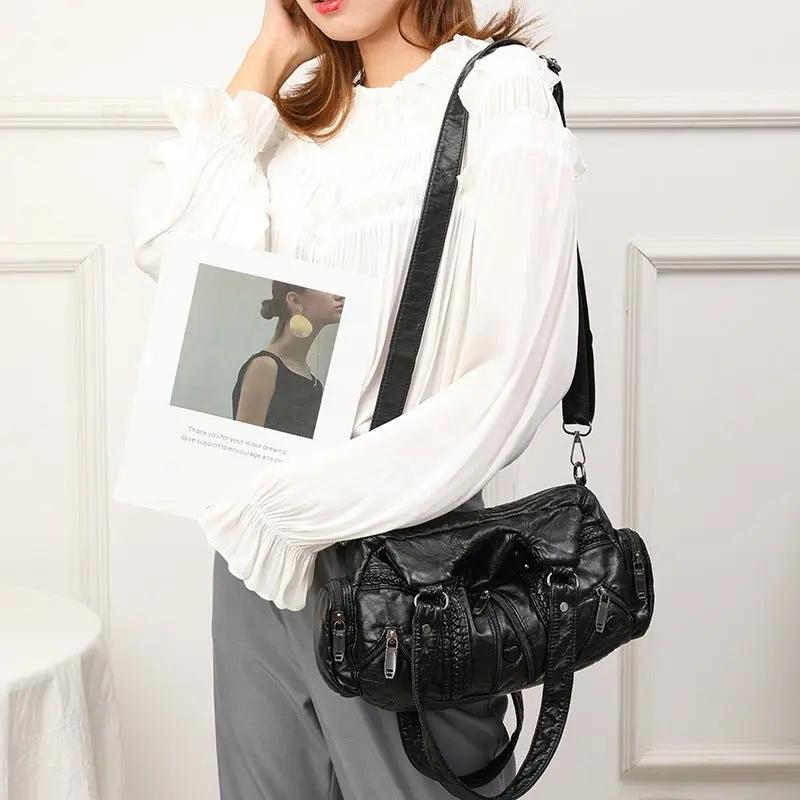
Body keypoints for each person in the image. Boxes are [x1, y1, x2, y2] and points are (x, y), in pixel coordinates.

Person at [129, 0, 587, 797]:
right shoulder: (300, 118)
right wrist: (269, 53)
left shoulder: (498, 91)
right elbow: (175, 256)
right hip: (255, 566)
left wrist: (293, 510)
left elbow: (514, 373)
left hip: (406, 561)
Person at [232, 281, 341, 438]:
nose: (339, 296)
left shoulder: (315, 384)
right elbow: (243, 442)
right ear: (295, 301)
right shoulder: (265, 367)